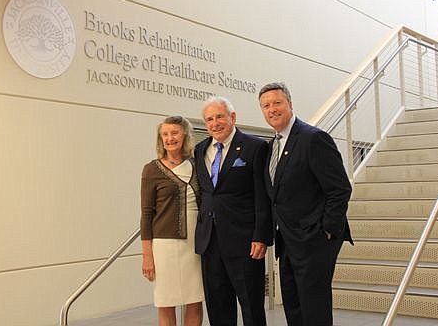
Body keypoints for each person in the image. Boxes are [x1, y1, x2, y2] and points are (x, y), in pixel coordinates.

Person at [257, 82, 353, 326]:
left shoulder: (313, 138)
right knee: (293, 304)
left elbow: (340, 189)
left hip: (315, 238)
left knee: (314, 307)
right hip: (287, 240)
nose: (272, 110)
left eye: (277, 103)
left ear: (290, 104)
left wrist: (326, 231)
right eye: (266, 106)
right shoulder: (272, 146)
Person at [194, 96, 273, 326]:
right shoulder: (201, 150)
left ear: (233, 117)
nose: (215, 123)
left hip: (245, 241)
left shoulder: (255, 146)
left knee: (251, 305)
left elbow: (262, 195)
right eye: (209, 119)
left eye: (219, 116)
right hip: (210, 241)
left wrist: (261, 235)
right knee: (217, 305)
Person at [140, 116, 204, 326]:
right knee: (166, 302)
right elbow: (146, 214)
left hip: (196, 244)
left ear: (185, 135)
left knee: (195, 301)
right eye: (165, 134)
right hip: (164, 246)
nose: (170, 138)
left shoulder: (198, 165)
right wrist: (147, 256)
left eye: (174, 133)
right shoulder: (151, 169)